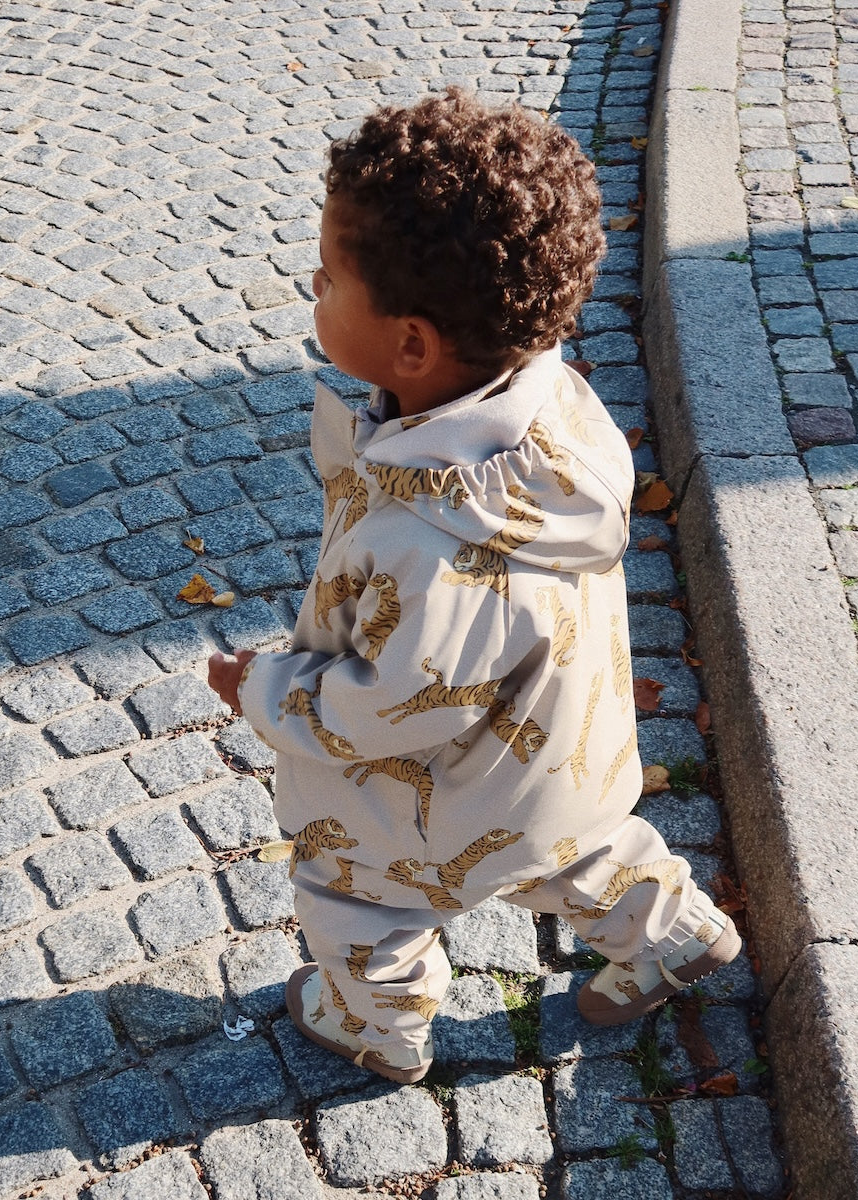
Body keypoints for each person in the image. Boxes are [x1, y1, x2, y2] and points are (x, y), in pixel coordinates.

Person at [207, 87, 740, 1085]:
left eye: (327, 280)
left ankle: (376, 1023)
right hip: (557, 752)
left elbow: (384, 711)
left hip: (437, 804)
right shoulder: (546, 405)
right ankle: (674, 932)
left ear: (413, 345)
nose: (311, 288)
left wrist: (266, 693)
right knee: (581, 851)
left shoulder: (436, 545)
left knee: (357, 899)